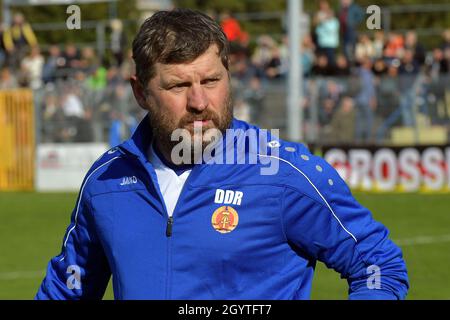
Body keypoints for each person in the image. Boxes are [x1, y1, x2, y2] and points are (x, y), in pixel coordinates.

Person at [35, 8, 408, 300]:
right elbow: (67, 289)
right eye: (179, 85)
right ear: (140, 93)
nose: (199, 102)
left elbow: (378, 263)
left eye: (211, 81)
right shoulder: (107, 181)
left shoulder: (280, 172)